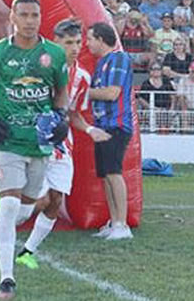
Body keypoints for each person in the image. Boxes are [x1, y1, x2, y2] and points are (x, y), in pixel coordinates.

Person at [0, 0, 69, 300]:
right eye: (23, 15)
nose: (29, 21)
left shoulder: (54, 55)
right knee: (9, 204)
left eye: (35, 15)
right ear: (12, 18)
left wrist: (61, 117)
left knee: (22, 211)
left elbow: (61, 93)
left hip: (39, 145)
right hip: (7, 142)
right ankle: (7, 279)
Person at [16, 18, 107, 269]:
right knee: (41, 200)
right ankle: (3, 213)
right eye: (69, 42)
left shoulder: (83, 77)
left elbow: (74, 114)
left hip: (62, 144)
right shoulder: (37, 67)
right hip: (34, 140)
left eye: (78, 42)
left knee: (56, 199)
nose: (75, 47)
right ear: (56, 42)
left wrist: (89, 129)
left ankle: (27, 251)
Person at [86, 21, 134, 241]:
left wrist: (83, 92)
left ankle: (122, 224)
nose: (87, 44)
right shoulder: (101, 63)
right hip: (102, 125)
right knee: (105, 175)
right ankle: (114, 221)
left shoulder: (118, 59)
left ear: (101, 39)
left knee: (114, 173)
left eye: (90, 39)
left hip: (116, 125)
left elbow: (112, 93)